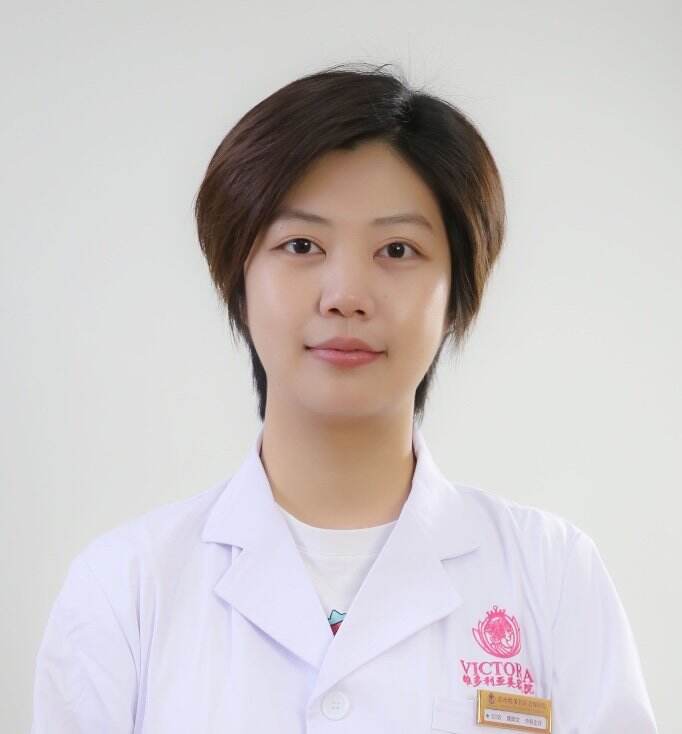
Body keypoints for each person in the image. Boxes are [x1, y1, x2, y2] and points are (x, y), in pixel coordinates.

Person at [30, 62, 657, 733]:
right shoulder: (125, 588)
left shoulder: (553, 576)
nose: (346, 295)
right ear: (239, 280)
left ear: (456, 293)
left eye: (398, 250)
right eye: (301, 245)